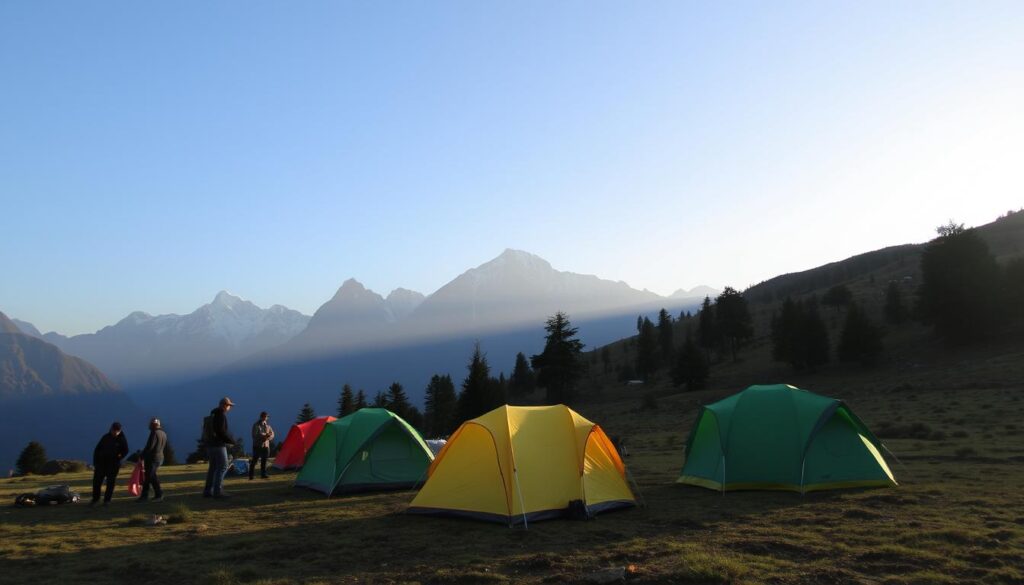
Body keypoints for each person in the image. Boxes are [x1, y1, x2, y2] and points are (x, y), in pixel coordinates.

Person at [203, 397, 236, 499]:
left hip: (210, 445)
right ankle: (218, 491)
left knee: (213, 468)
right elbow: (220, 431)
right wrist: (231, 441)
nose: (230, 407)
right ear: (225, 405)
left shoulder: (212, 414)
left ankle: (208, 491)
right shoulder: (221, 415)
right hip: (218, 445)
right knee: (223, 467)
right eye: (229, 405)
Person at [90, 422, 129, 507]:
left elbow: (125, 450)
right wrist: (96, 462)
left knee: (110, 482)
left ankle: (107, 500)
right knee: (97, 482)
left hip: (113, 464)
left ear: (120, 431)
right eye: (114, 430)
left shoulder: (122, 439)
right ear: (111, 429)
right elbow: (97, 449)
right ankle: (95, 499)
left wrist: (119, 457)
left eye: (117, 431)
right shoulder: (105, 437)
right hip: (101, 464)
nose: (115, 432)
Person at [137, 418, 167, 503]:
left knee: (149, 477)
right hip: (160, 458)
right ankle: (156, 494)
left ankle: (150, 495)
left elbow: (149, 447)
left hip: (152, 458)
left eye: (150, 424)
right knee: (151, 476)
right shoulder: (163, 433)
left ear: (153, 425)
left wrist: (142, 456)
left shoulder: (154, 433)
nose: (149, 426)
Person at [249, 411, 275, 480]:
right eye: (264, 416)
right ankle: (251, 475)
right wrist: (263, 436)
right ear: (261, 417)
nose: (265, 418)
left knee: (264, 460)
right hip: (257, 445)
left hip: (266, 445)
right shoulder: (256, 425)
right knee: (255, 460)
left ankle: (263, 474)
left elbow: (272, 434)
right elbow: (254, 435)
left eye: (266, 417)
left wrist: (268, 437)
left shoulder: (268, 426)